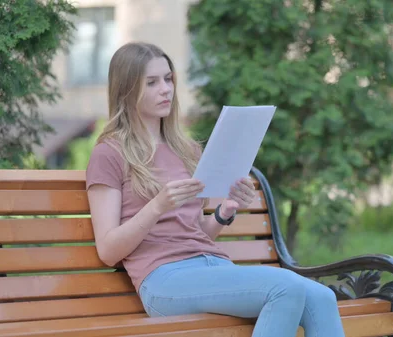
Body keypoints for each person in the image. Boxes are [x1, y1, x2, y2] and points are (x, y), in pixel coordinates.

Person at [85, 42, 345, 337]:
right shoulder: (110, 154)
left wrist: (223, 213)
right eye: (152, 82)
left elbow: (193, 235)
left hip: (211, 265)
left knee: (323, 298)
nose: (166, 89)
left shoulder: (187, 150)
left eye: (169, 79)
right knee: (284, 289)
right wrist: (156, 206)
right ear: (127, 89)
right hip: (163, 280)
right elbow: (107, 250)